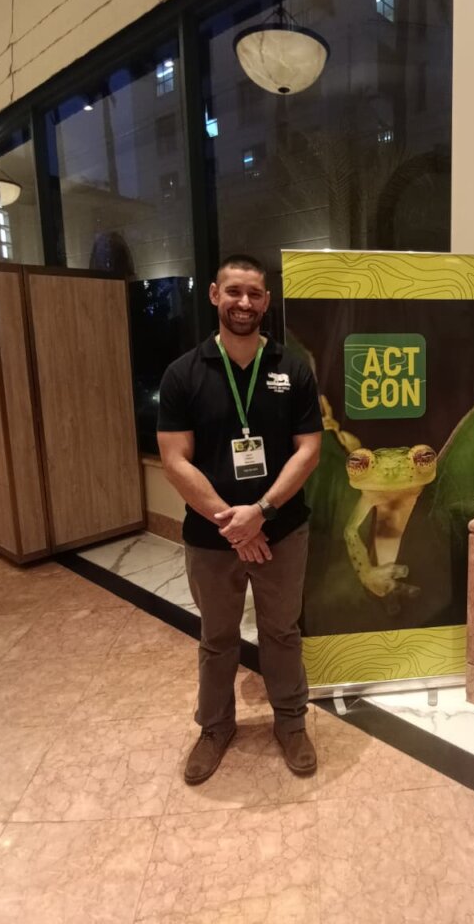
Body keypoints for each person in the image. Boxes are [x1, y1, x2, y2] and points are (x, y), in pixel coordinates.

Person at [156, 254, 322, 784]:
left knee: (282, 632)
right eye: (233, 291)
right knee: (218, 637)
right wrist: (233, 523)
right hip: (211, 537)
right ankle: (215, 728)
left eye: (253, 293)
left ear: (266, 301)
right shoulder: (183, 373)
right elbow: (175, 459)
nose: (243, 302)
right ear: (214, 295)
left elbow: (309, 450)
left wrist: (262, 512)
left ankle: (291, 723)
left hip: (282, 530)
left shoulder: (292, 368)